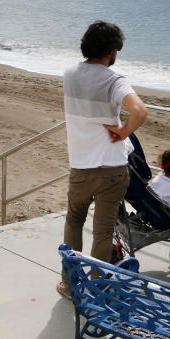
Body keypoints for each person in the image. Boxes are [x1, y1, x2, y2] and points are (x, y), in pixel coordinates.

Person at [58, 21, 147, 300]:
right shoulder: (114, 79)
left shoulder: (70, 73)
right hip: (112, 168)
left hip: (81, 166)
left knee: (74, 221)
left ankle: (70, 284)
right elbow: (140, 111)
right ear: (111, 50)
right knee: (103, 231)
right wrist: (123, 132)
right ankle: (97, 289)